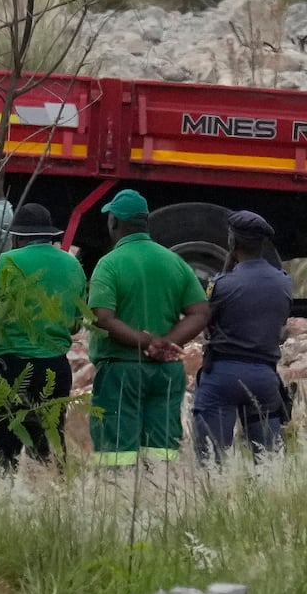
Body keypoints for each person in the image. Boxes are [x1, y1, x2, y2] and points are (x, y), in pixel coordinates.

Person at [87, 189, 210, 467]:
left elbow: (103, 318)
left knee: (116, 451)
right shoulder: (174, 261)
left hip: (122, 370)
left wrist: (146, 342)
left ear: (114, 222)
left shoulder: (109, 264)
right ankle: (157, 498)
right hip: (166, 372)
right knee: (161, 450)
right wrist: (165, 343)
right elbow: (200, 312)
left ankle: (119, 498)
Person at [0, 203, 87, 466]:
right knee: (47, 446)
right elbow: (74, 325)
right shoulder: (73, 267)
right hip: (54, 368)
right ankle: (46, 498)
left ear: (17, 237)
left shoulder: (1, 263)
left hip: (6, 367)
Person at [193, 210, 293, 461]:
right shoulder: (283, 282)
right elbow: (279, 324)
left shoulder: (221, 284)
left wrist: (226, 272)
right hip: (264, 376)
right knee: (269, 463)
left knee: (212, 463)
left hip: (223, 377)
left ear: (232, 242)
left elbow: (206, 325)